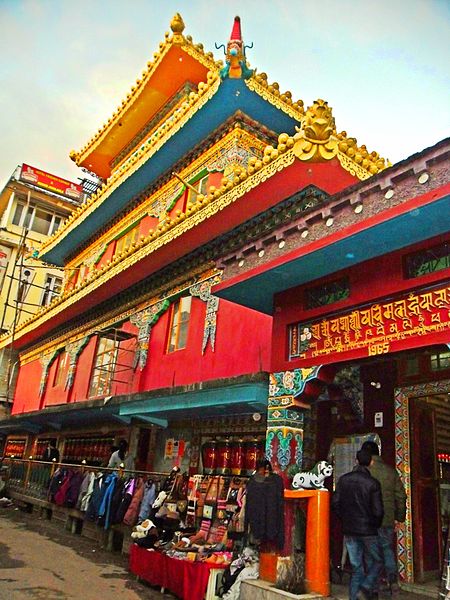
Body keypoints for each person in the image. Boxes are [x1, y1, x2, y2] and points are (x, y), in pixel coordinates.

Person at [332, 448, 384, 600]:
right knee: (377, 561)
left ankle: (354, 597)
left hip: (349, 530)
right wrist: (374, 525)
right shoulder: (373, 483)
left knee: (356, 568)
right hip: (368, 530)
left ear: (356, 461)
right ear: (371, 463)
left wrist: (345, 518)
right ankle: (366, 587)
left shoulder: (343, 480)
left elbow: (335, 503)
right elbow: (378, 511)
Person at [361, 440, 406, 596]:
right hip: (387, 518)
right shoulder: (390, 472)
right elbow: (401, 495)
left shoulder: (361, 471)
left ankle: (372, 586)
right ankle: (393, 581)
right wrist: (399, 517)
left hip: (367, 520)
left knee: (369, 553)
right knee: (386, 549)